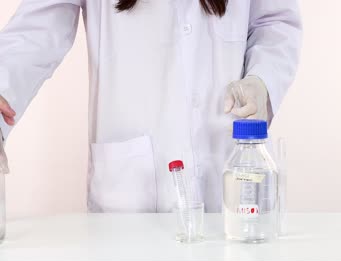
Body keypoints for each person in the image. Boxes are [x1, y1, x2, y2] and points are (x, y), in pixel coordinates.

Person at [0, 0, 302, 213]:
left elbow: (275, 21)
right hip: (132, 196)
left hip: (230, 180)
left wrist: (263, 80)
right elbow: (36, 32)